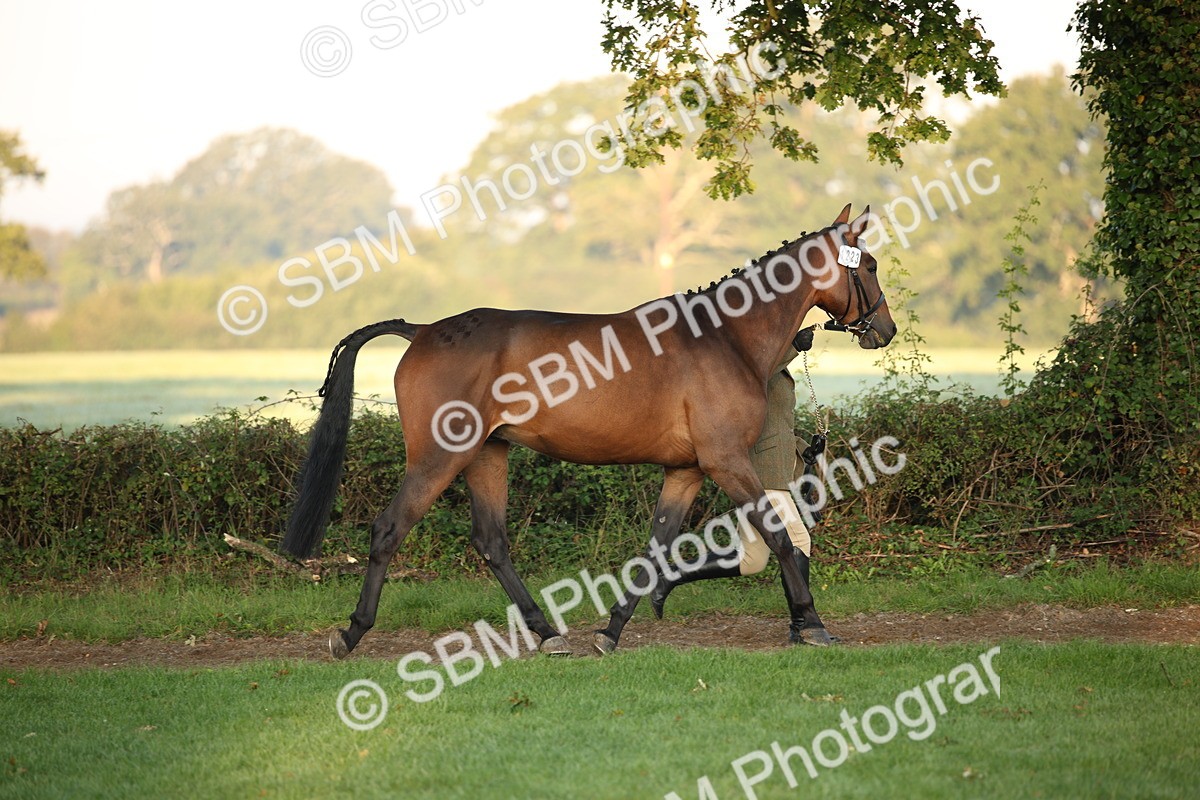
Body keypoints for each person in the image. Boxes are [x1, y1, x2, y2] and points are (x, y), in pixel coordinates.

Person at [650, 327, 833, 643]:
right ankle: (803, 627)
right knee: (799, 541)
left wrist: (804, 450)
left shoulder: (773, 363)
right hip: (762, 473)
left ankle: (669, 576)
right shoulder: (753, 365)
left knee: (752, 560)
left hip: (774, 467)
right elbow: (764, 373)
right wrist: (791, 345)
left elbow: (775, 419)